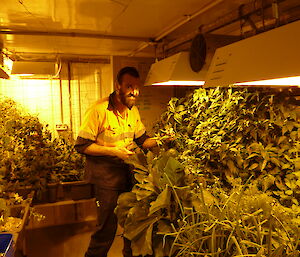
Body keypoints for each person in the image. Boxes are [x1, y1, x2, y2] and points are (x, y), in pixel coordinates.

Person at [75, 66, 158, 257]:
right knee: (106, 228)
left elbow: (142, 140)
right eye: (129, 86)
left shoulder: (133, 111)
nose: (134, 91)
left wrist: (162, 139)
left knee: (131, 222)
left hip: (127, 176)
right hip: (105, 179)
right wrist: (114, 151)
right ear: (117, 86)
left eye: (137, 87)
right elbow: (82, 146)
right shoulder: (98, 110)